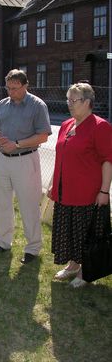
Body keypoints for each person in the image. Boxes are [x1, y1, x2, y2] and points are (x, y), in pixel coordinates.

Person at [48, 83, 112, 288]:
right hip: (64, 192)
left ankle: (86, 271)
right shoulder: (66, 125)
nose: (69, 104)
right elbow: (61, 157)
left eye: (73, 100)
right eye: (68, 99)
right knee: (69, 231)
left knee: (85, 233)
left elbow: (107, 161)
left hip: (87, 194)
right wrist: (53, 184)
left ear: (87, 102)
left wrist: (104, 191)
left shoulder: (100, 126)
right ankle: (73, 265)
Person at [0, 69, 52, 263]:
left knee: (29, 205)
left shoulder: (37, 105)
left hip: (26, 159)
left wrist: (16, 144)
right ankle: (3, 242)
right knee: (2, 203)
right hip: (3, 160)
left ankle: (32, 248)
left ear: (25, 86)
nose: (11, 92)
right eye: (8, 88)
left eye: (15, 88)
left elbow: (43, 135)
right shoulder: (2, 104)